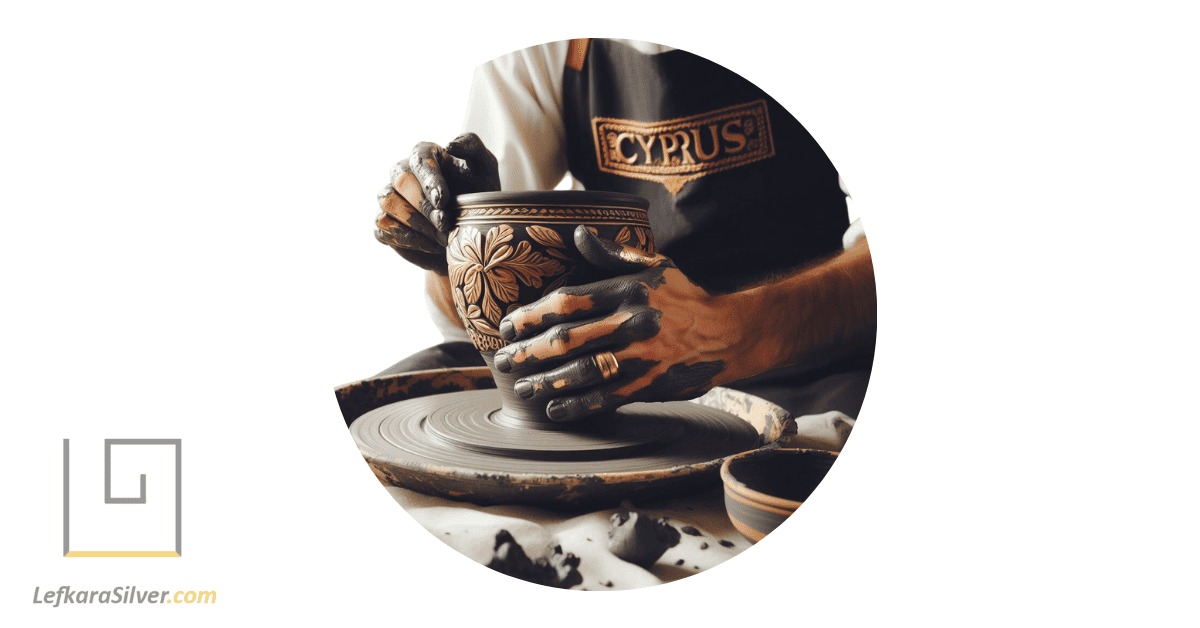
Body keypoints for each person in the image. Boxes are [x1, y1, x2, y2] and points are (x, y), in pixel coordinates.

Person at [373, 39, 875, 431]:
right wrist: (452, 251)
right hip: (611, 350)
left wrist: (726, 330)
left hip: (799, 350)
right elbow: (481, 321)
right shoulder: (544, 44)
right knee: (379, 412)